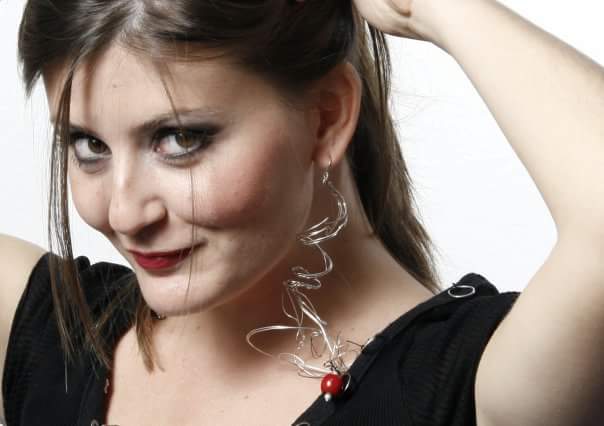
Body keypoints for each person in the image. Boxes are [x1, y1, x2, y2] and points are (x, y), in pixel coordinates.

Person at [1, 0, 603, 425]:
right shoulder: (55, 339)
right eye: (89, 145)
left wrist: (434, 7)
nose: (125, 212)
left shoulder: (476, 390)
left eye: (180, 139)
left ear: (327, 117)